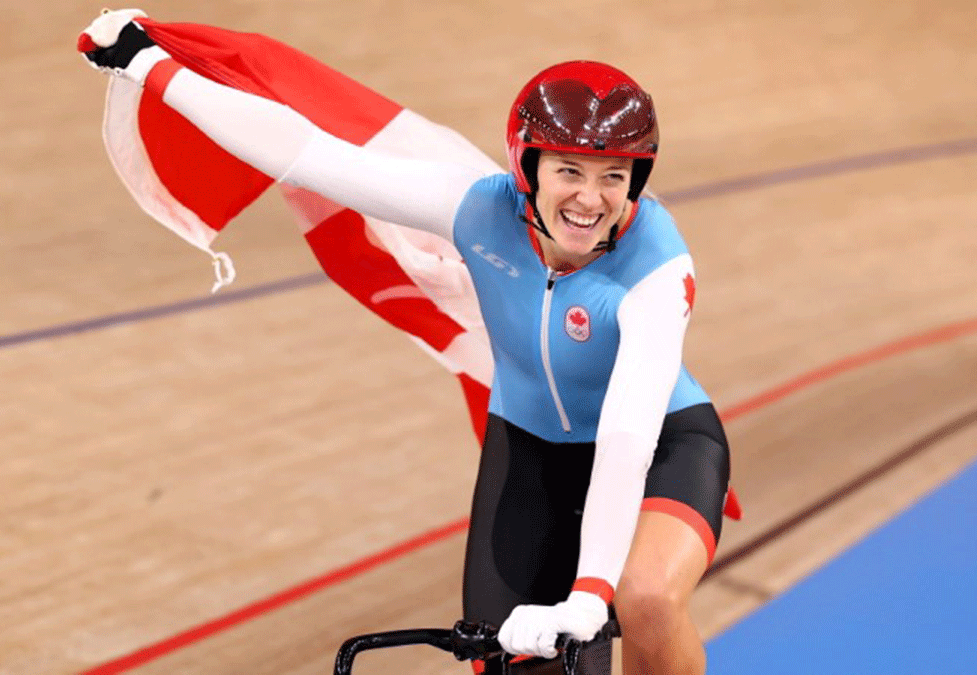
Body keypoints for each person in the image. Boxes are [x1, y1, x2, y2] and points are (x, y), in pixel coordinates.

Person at [79, 11, 733, 674]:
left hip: (663, 444)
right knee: (514, 659)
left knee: (645, 596)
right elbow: (305, 151)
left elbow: (627, 433)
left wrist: (592, 592)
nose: (590, 199)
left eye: (613, 177)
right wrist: (151, 68)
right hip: (531, 452)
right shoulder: (475, 207)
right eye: (570, 170)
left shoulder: (658, 266)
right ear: (527, 168)